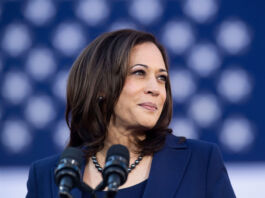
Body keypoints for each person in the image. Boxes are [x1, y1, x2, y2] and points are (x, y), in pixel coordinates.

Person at [26, 29, 236, 198]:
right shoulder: (47, 176)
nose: (155, 88)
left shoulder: (201, 162)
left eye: (161, 78)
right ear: (101, 87)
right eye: (139, 73)